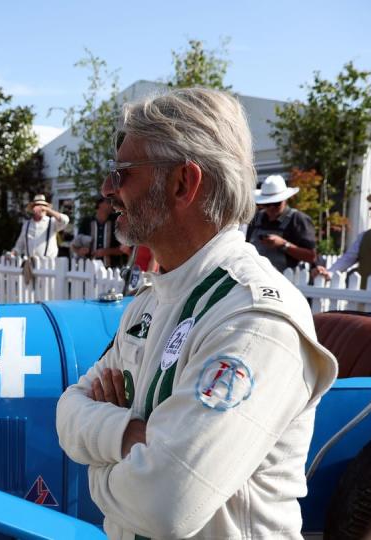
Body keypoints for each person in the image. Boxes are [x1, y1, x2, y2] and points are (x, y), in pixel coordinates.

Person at [55, 87, 337, 539]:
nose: (108, 189)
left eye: (122, 173)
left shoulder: (255, 318)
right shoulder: (153, 299)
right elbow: (67, 410)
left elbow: (166, 504)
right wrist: (132, 438)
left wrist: (98, 463)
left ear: (184, 183)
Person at [314, 182, 371, 290]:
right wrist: (328, 273)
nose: (370, 208)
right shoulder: (365, 236)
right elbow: (347, 259)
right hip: (362, 301)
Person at [245, 174, 317, 272]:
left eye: (276, 203)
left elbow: (311, 256)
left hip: (287, 279)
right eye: (267, 204)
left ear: (285, 200)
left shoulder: (298, 219)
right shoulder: (256, 218)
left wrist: (283, 244)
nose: (271, 208)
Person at [11, 194, 70, 259]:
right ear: (33, 209)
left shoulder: (52, 222)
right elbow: (19, 245)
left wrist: (48, 210)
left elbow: (65, 220)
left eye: (43, 206)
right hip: (30, 263)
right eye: (38, 206)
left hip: (47, 264)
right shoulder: (27, 225)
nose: (41, 209)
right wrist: (13, 253)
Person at [72, 196, 125, 268]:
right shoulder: (86, 222)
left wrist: (106, 251)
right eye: (108, 202)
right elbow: (74, 245)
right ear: (99, 204)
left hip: (112, 269)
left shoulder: (117, 222)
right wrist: (80, 251)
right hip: (89, 268)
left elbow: (124, 248)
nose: (112, 204)